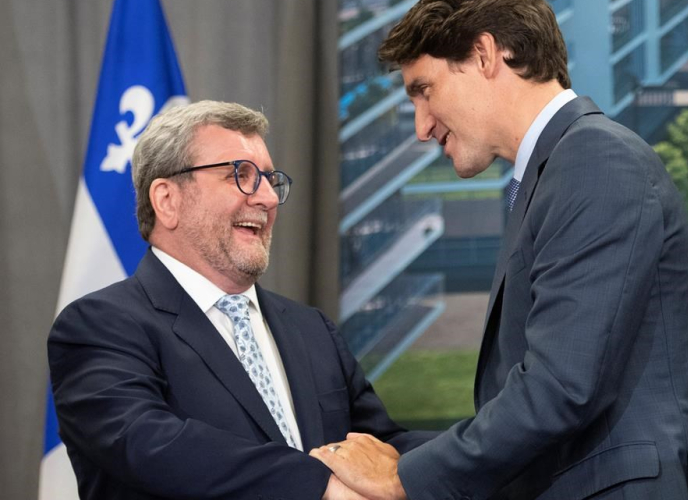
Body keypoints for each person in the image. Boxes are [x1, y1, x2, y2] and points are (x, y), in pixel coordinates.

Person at [311, 1, 688, 499]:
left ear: (485, 54)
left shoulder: (594, 159)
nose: (421, 125)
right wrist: (409, 458)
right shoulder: (556, 171)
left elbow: (559, 389)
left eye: (424, 91)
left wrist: (404, 478)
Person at [48, 100, 431, 500]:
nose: (267, 198)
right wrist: (320, 486)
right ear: (167, 200)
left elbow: (381, 451)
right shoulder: (99, 326)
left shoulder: (311, 328)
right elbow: (151, 446)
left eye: (269, 179)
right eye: (241, 176)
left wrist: (487, 454)